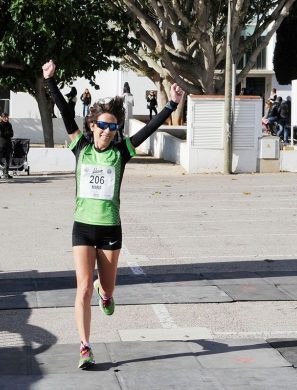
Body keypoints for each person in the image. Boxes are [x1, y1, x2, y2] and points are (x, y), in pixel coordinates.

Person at [42, 59, 183, 369]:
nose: (107, 131)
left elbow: (148, 129)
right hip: (82, 228)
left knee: (106, 288)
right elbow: (66, 114)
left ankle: (105, 295)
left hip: (110, 231)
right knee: (81, 288)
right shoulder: (80, 147)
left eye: (112, 126)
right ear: (93, 126)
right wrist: (51, 81)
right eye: (102, 125)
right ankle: (85, 346)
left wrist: (171, 105)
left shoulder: (122, 152)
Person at [0, 112, 14, 179]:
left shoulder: (9, 124)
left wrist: (5, 133)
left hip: (8, 144)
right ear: (1, 118)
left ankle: (6, 173)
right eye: (4, 117)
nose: (6, 118)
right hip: (1, 144)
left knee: (7, 159)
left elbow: (12, 134)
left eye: (7, 117)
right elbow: (0, 133)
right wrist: (7, 133)